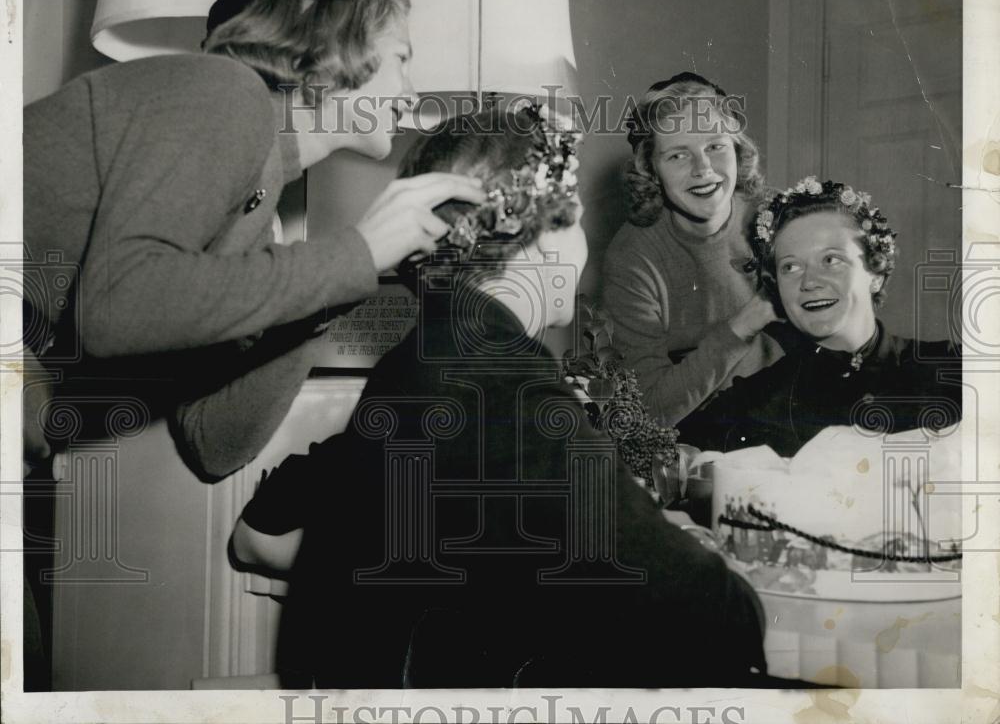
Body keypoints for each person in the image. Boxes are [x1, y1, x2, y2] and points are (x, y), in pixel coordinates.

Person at [231, 104, 768, 688]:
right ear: (544, 232)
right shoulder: (501, 382)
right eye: (576, 222)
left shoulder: (424, 360)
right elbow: (716, 619)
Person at [22, 0, 484, 477]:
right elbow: (113, 306)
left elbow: (215, 442)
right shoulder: (222, 90)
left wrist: (332, 292)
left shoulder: (255, 216)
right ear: (332, 37)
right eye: (402, 58)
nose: (409, 92)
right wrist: (353, 255)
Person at [677, 177, 962, 456]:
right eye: (790, 267)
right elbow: (670, 454)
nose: (809, 281)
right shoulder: (757, 399)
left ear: (875, 273)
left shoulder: (956, 369)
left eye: (831, 260)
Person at [602, 73, 784, 426]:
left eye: (715, 146)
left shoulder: (777, 218)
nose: (703, 170)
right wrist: (746, 322)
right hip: (703, 434)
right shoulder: (633, 257)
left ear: (737, 149)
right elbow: (649, 411)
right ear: (650, 169)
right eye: (678, 155)